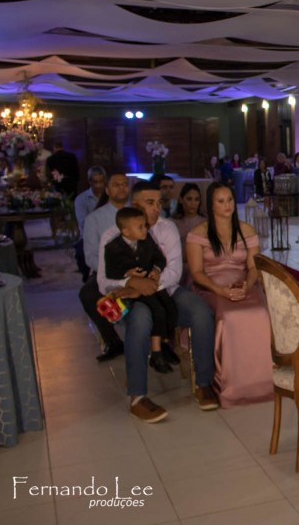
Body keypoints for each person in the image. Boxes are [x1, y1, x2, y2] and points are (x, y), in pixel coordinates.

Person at [97, 180, 219, 422]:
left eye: (159, 202)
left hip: (166, 291)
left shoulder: (167, 228)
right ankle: (138, 397)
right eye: (150, 203)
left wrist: (148, 286)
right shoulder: (112, 235)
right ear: (135, 205)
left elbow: (174, 271)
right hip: (133, 297)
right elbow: (103, 281)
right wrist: (131, 283)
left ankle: (203, 383)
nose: (156, 208)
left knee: (201, 312)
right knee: (141, 320)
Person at [186, 182, 273, 407]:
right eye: (221, 201)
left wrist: (247, 285)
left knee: (259, 312)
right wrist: (220, 290)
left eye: (230, 200)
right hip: (211, 287)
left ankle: (260, 382)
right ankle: (228, 384)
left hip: (243, 284)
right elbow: (196, 272)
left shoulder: (246, 230)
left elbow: (253, 267)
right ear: (211, 205)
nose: (227, 205)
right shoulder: (197, 233)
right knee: (229, 316)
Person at [102, 207, 178, 374]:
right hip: (136, 288)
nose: (145, 230)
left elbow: (159, 257)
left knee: (169, 307)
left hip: (151, 283)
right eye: (140, 227)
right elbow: (110, 272)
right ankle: (156, 354)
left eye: (145, 226)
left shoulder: (146, 240)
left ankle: (165, 343)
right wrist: (127, 273)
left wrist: (156, 269)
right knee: (157, 311)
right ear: (126, 231)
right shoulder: (112, 248)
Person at [79, 172, 131, 361]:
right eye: (117, 184)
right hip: (106, 271)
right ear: (107, 190)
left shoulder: (137, 213)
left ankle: (158, 343)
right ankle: (113, 341)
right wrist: (112, 272)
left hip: (136, 270)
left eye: (125, 184)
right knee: (88, 294)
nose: (122, 188)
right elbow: (90, 256)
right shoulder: (94, 218)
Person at [74, 165, 107, 282]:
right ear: (89, 181)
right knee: (80, 253)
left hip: (109, 234)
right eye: (95, 182)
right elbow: (84, 223)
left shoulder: (110, 197)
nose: (99, 185)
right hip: (89, 237)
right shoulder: (81, 199)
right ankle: (87, 278)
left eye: (101, 182)